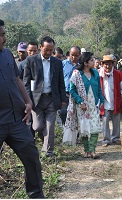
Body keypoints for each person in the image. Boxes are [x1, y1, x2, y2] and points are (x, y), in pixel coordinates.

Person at [0, 18, 44, 198]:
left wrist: (28, 101)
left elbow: (17, 79)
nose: (5, 38)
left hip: (17, 118)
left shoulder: (7, 55)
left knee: (31, 157)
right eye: (1, 35)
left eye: (4, 34)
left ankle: (36, 195)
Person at [23, 36, 67, 157]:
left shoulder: (57, 62)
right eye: (46, 49)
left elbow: (61, 82)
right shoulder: (31, 61)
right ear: (40, 47)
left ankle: (48, 151)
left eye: (51, 50)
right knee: (38, 126)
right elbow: (26, 83)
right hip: (36, 99)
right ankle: (45, 140)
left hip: (52, 98)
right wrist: (28, 100)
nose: (48, 53)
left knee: (50, 125)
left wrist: (63, 99)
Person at [63, 52, 104, 159]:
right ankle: (86, 150)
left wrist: (102, 100)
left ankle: (92, 150)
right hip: (82, 106)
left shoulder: (95, 73)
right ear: (85, 63)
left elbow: (99, 89)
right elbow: (72, 90)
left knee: (95, 128)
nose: (94, 62)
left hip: (93, 105)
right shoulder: (76, 74)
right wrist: (80, 102)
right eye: (92, 60)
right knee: (84, 129)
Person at [99, 55, 122, 146]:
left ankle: (115, 138)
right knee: (105, 121)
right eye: (105, 64)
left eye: (109, 64)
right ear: (102, 64)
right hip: (104, 101)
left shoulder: (117, 74)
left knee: (116, 120)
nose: (107, 66)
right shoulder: (99, 75)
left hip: (115, 100)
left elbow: (121, 89)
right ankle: (106, 139)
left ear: (113, 64)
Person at [18, 41, 39, 138]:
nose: (32, 53)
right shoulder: (22, 65)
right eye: (30, 51)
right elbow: (18, 80)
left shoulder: (41, 63)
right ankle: (31, 138)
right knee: (29, 117)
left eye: (35, 51)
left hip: (38, 95)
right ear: (27, 51)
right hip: (26, 94)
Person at [60, 46, 81, 125]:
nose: (74, 57)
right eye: (72, 55)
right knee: (63, 112)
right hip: (65, 93)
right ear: (69, 54)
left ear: (79, 55)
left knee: (75, 114)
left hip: (77, 94)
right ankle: (65, 128)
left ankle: (75, 133)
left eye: (76, 55)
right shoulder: (63, 64)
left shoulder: (81, 66)